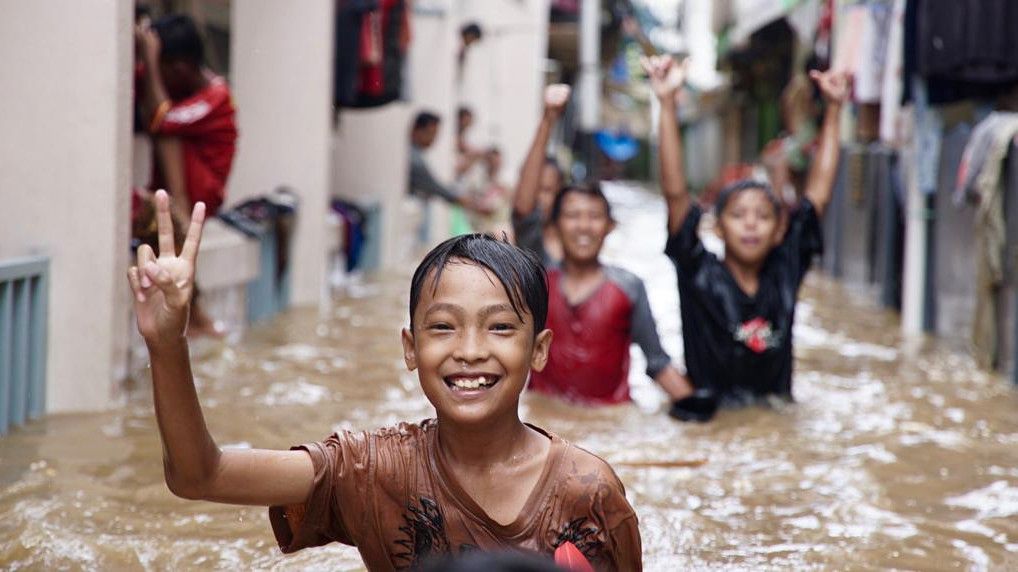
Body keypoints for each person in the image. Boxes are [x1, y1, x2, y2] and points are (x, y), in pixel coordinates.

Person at [126, 191, 642, 570]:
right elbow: (200, 476)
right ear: (410, 349)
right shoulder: (373, 470)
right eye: (443, 327)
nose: (469, 351)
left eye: (500, 327)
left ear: (539, 351)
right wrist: (168, 345)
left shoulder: (588, 491)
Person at [644, 55, 850, 418]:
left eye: (763, 216)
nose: (751, 224)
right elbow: (676, 195)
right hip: (710, 420)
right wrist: (665, 103)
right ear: (718, 228)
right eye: (738, 215)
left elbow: (817, 195)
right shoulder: (698, 271)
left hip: (775, 416)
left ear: (779, 230)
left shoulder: (785, 269)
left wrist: (834, 109)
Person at [513, 85, 693, 406]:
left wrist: (698, 410)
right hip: (545, 421)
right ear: (554, 225)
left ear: (610, 227)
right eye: (572, 216)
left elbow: (657, 363)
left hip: (608, 421)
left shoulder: (629, 287)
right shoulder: (538, 280)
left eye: (594, 216)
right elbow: (523, 213)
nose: (583, 225)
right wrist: (547, 120)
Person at [134, 13, 237, 337]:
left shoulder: (217, 96)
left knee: (168, 131)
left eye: (162, 65)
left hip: (199, 197)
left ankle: (201, 320)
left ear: (180, 68)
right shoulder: (174, 84)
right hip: (168, 192)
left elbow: (164, 120)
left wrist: (150, 60)